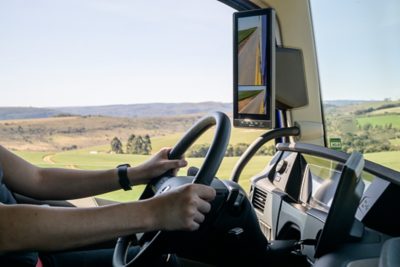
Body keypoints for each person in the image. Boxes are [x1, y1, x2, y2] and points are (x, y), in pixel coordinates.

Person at [0, 145, 216, 266]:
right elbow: (6, 229)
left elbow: (37, 179)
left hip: (34, 255)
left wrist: (135, 174)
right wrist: (155, 211)